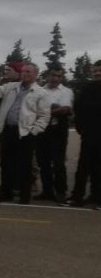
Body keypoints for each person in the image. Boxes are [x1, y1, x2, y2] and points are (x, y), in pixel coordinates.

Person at [0, 62, 50, 204]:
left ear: (35, 74)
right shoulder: (10, 87)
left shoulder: (41, 93)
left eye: (28, 71)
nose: (24, 74)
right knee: (5, 163)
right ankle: (6, 193)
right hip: (7, 130)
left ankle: (24, 195)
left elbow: (44, 116)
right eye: (23, 71)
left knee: (25, 165)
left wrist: (33, 132)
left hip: (25, 132)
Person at [36, 64, 74, 203]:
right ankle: (47, 191)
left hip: (57, 131)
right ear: (47, 76)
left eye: (59, 76)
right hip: (42, 130)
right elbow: (33, 107)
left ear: (62, 77)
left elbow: (65, 109)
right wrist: (53, 109)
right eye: (53, 75)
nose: (55, 78)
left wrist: (46, 111)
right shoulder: (39, 90)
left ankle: (61, 191)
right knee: (43, 162)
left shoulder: (66, 91)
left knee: (58, 163)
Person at [68, 60, 101, 208]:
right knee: (83, 167)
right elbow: (78, 109)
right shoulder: (86, 89)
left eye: (100, 71)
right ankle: (77, 196)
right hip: (89, 135)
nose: (97, 73)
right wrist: (81, 128)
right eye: (95, 71)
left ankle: (97, 196)